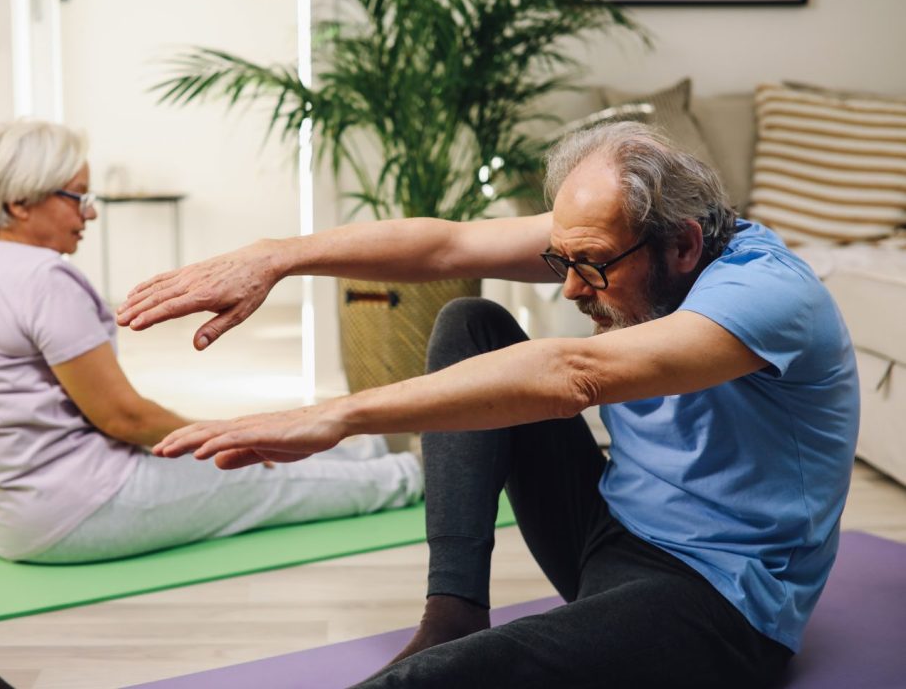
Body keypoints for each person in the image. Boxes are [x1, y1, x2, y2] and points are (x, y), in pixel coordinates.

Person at [111, 121, 859, 688]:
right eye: (563, 262)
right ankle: (453, 611)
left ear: (685, 245)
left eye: (590, 267)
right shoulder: (621, 244)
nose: (570, 287)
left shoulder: (767, 295)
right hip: (607, 534)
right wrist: (278, 255)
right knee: (470, 324)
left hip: (718, 603)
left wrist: (340, 415)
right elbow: (446, 249)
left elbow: (575, 372)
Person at [0, 119, 424, 571]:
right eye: (76, 197)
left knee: (253, 449)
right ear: (19, 202)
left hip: (10, 518)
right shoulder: (43, 281)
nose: (90, 212)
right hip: (74, 511)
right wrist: (225, 438)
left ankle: (373, 450)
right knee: (253, 476)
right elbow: (125, 418)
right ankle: (418, 476)